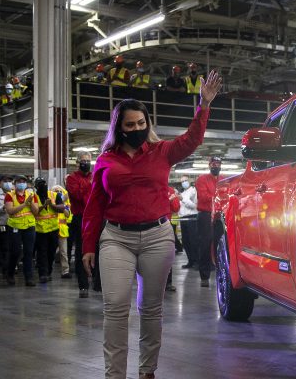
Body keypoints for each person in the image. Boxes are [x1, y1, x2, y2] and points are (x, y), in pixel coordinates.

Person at [81, 69, 221, 379]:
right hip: (116, 239)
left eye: (141, 123)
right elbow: (94, 207)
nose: (137, 128)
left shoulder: (162, 152)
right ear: (119, 127)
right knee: (115, 307)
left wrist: (204, 104)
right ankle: (114, 374)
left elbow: (193, 138)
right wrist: (88, 245)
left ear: (148, 124)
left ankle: (147, 371)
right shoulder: (106, 159)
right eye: (130, 125)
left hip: (158, 237)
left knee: (151, 309)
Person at [67, 151, 98, 297]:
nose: (86, 163)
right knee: (82, 251)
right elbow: (79, 196)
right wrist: (90, 187)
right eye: (83, 161)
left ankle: (98, 283)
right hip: (80, 217)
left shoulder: (95, 177)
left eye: (88, 160)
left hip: (96, 217)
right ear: (78, 162)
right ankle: (83, 286)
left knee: (99, 249)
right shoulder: (72, 179)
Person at [4, 175, 40, 286]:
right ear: (15, 184)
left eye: (23, 181)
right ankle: (10, 274)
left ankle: (28, 277)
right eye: (19, 181)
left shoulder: (31, 195)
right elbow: (10, 211)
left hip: (29, 226)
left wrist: (31, 203)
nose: (21, 183)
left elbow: (36, 212)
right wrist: (25, 204)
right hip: (15, 226)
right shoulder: (9, 195)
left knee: (29, 252)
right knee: (15, 252)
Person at [194, 156, 223, 287]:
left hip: (219, 216)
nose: (216, 166)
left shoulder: (223, 179)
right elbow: (203, 196)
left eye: (218, 164)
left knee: (219, 244)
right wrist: (218, 198)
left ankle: (221, 272)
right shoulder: (202, 179)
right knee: (205, 245)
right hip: (205, 215)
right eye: (214, 164)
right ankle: (204, 276)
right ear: (209, 165)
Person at [33, 177, 66, 284]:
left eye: (44, 183)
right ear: (36, 186)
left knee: (51, 252)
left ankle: (49, 272)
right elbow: (35, 212)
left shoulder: (55, 195)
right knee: (42, 252)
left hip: (53, 228)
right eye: (40, 184)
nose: (42, 185)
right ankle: (43, 274)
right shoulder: (33, 197)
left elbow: (62, 208)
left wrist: (51, 205)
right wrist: (44, 206)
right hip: (40, 230)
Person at [0, 176, 17, 284]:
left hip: (14, 224)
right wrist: (2, 208)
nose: (8, 183)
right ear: (0, 183)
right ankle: (6, 271)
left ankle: (11, 268)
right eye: (5, 181)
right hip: (1, 224)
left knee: (14, 248)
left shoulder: (14, 194)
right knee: (5, 248)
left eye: (10, 181)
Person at [177, 175, 198, 269]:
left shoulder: (193, 191)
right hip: (183, 219)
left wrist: (183, 199)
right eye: (182, 181)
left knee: (194, 241)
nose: (184, 182)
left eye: (185, 180)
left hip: (192, 218)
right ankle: (190, 261)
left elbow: (194, 206)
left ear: (189, 181)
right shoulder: (183, 192)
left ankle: (197, 262)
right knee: (185, 242)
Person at [53, 184, 73, 279]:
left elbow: (68, 215)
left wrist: (62, 205)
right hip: (51, 229)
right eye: (56, 191)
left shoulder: (66, 203)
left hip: (62, 230)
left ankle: (65, 271)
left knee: (63, 252)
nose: (58, 193)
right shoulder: (50, 202)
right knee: (50, 251)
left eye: (60, 191)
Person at [165, 186, 180, 292]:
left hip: (166, 223)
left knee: (167, 254)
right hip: (152, 222)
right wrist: (168, 200)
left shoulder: (170, 190)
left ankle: (168, 282)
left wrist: (173, 199)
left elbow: (176, 208)